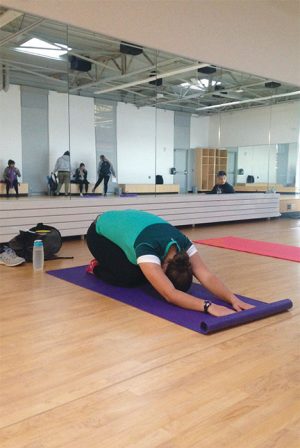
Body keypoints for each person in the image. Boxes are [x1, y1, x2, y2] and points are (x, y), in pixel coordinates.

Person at [86, 209, 254, 317]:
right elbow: (170, 294)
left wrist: (233, 299)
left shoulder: (184, 243)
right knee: (130, 276)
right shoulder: (147, 248)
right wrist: (208, 306)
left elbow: (207, 276)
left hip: (129, 223)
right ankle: (97, 267)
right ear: (163, 267)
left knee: (146, 274)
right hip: (98, 234)